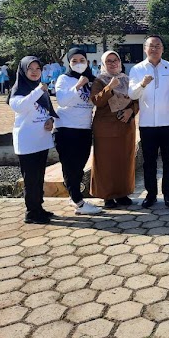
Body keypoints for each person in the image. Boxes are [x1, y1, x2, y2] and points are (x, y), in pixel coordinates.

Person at [129, 35, 169, 208]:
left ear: (162, 49)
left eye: (158, 46)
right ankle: (151, 194)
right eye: (151, 46)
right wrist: (142, 84)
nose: (154, 49)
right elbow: (132, 95)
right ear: (145, 48)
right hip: (147, 124)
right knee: (149, 161)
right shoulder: (137, 69)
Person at [8, 56, 59, 224]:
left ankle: (39, 207)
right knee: (30, 179)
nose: (35, 72)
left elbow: (47, 111)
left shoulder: (40, 88)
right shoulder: (18, 90)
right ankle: (31, 212)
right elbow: (20, 106)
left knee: (39, 177)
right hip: (27, 142)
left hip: (41, 140)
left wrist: (51, 121)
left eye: (38, 69)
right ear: (23, 71)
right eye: (31, 69)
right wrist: (38, 91)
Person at [54, 48, 102, 215]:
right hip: (66, 129)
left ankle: (73, 196)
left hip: (84, 129)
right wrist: (78, 85)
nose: (78, 63)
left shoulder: (92, 81)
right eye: (74, 60)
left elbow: (98, 101)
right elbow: (62, 100)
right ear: (69, 62)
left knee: (79, 166)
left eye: (82, 60)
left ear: (87, 62)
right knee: (70, 166)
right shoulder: (64, 79)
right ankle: (79, 202)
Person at [91, 51, 139, 208]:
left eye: (115, 60)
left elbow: (137, 99)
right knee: (106, 163)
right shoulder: (99, 80)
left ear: (120, 62)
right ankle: (107, 196)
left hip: (125, 128)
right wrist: (109, 87)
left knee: (124, 161)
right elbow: (97, 101)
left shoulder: (127, 80)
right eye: (109, 61)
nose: (113, 64)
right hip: (105, 130)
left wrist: (131, 111)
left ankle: (122, 193)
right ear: (104, 64)